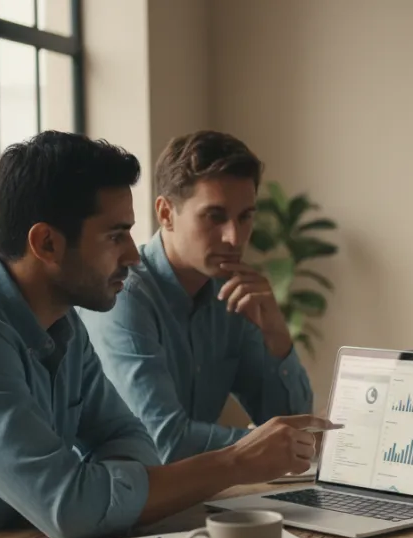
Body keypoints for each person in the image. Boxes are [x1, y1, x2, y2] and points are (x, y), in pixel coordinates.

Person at [0, 131, 329, 538]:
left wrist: (96, 491)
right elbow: (73, 505)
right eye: (116, 236)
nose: (134, 255)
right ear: (47, 244)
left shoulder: (63, 321)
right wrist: (237, 459)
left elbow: (133, 441)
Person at [79, 131, 313, 464]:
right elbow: (164, 444)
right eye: (215, 216)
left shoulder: (232, 292)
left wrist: (276, 334)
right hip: (114, 504)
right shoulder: (124, 295)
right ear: (165, 214)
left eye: (245, 216)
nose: (234, 237)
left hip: (192, 497)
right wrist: (269, 443)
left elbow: (294, 425)